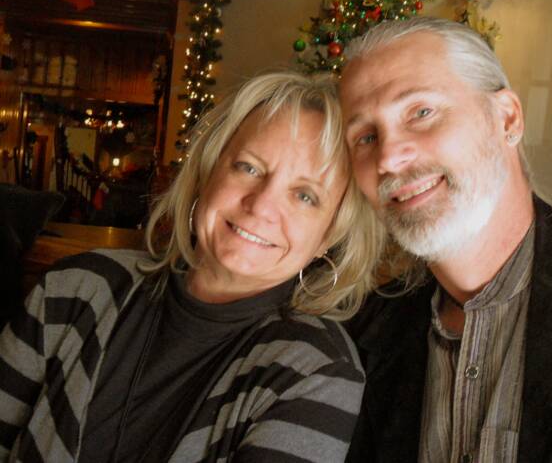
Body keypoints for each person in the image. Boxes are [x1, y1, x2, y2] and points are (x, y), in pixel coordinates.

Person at [0, 72, 385, 463]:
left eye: (305, 196)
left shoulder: (319, 372)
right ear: (207, 173)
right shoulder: (76, 286)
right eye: (249, 168)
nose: (261, 206)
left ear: (329, 236)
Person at [338, 17, 552, 463]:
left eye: (421, 112)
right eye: (365, 137)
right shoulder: (358, 339)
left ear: (506, 118)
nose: (388, 157)